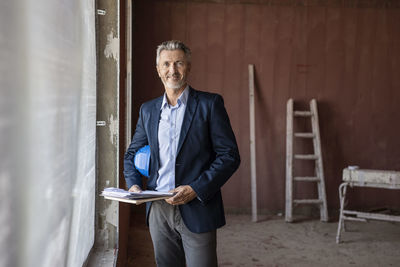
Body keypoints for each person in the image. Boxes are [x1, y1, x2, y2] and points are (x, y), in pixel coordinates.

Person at [123, 40, 240, 267]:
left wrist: (195, 188)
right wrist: (135, 186)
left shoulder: (210, 104)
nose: (172, 70)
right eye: (166, 64)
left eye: (179, 63)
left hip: (198, 206)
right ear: (158, 70)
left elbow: (229, 156)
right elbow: (132, 155)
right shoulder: (148, 110)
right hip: (158, 208)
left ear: (188, 67)